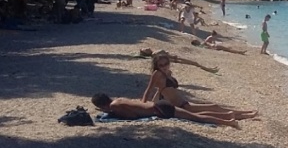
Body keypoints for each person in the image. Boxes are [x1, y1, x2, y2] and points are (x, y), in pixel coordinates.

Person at [141, 52, 258, 120]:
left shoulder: (168, 73)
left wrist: (155, 101)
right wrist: (142, 105)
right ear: (157, 66)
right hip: (181, 105)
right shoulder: (157, 74)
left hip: (184, 102)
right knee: (213, 109)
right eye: (161, 65)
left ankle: (243, 112)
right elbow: (149, 89)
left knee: (214, 106)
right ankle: (244, 115)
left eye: (166, 64)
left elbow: (160, 91)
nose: (164, 66)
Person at [91, 93, 239, 128]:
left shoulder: (114, 107)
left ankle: (229, 122)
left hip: (158, 110)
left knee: (197, 118)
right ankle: (226, 116)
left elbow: (133, 116)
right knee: (195, 115)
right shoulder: (119, 99)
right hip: (158, 104)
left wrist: (114, 114)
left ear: (102, 105)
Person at [138, 48, 219, 73]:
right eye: (145, 50)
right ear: (147, 52)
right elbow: (166, 56)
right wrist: (174, 58)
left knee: (195, 63)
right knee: (195, 63)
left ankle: (210, 69)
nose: (147, 48)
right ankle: (209, 69)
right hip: (176, 58)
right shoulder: (155, 53)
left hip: (175, 58)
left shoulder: (154, 53)